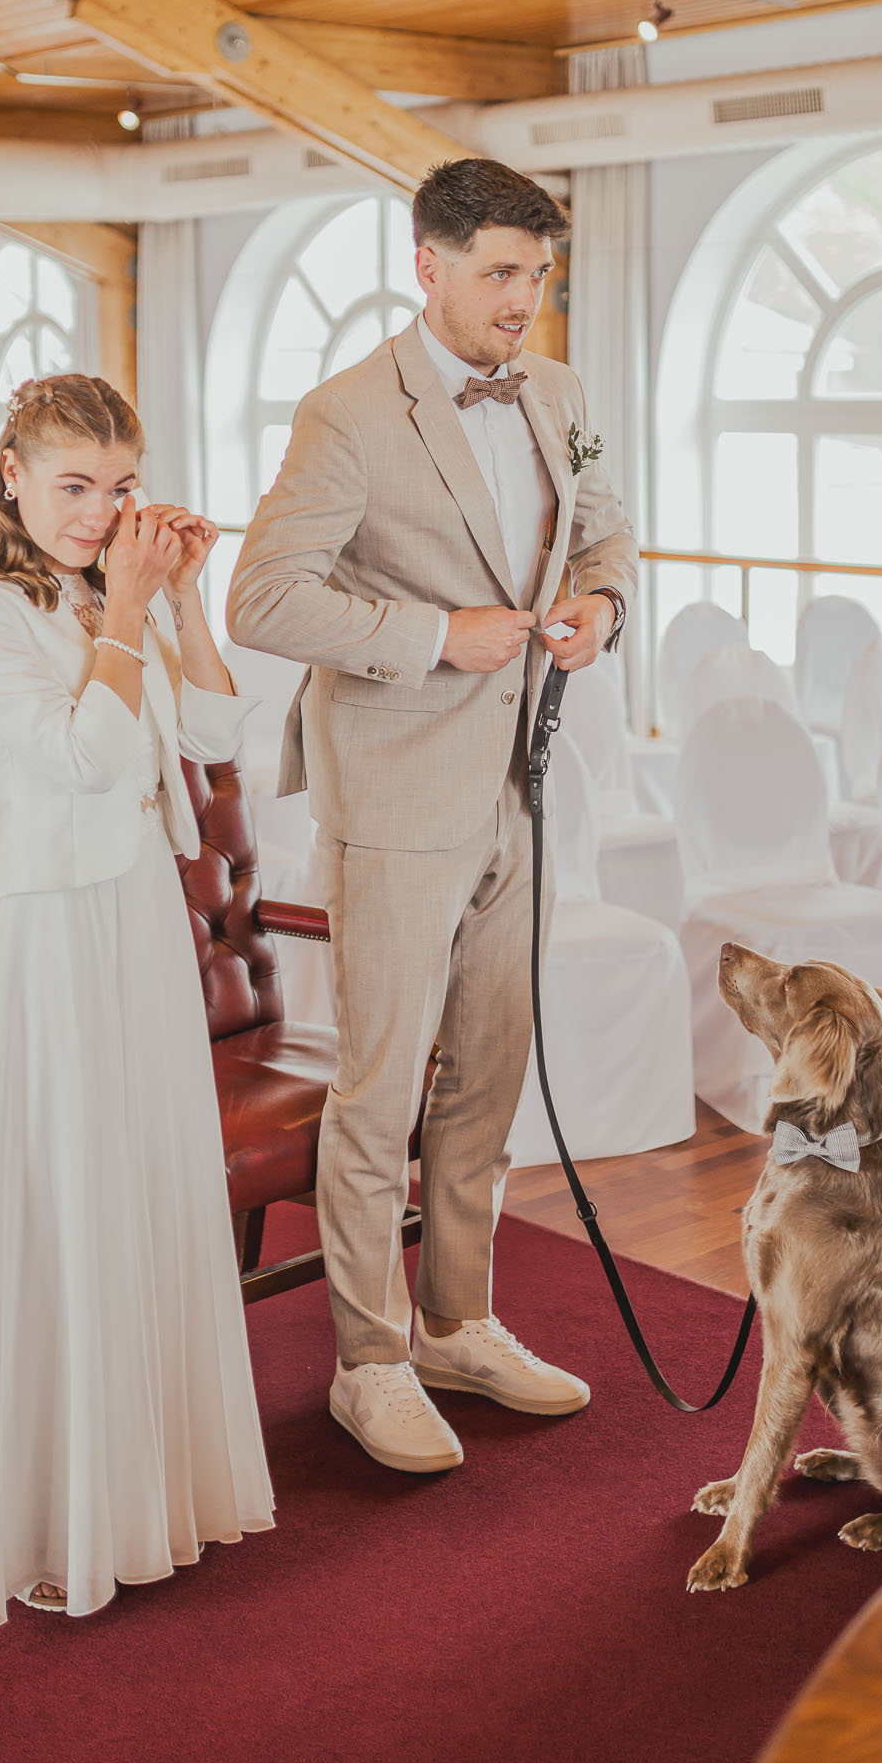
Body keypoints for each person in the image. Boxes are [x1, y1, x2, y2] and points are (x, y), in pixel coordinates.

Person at [227, 158, 638, 1475]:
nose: (525, 300)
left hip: (524, 786)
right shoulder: (347, 413)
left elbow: (606, 539)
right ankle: (370, 1360)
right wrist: (432, 636)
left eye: (539, 276)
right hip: (396, 798)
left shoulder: (561, 393)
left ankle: (460, 1321)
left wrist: (603, 611)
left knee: (489, 1076)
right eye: (502, 273)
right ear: (429, 265)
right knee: (382, 1088)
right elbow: (262, 601)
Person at [0, 373, 273, 1630]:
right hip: (51, 930)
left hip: (135, 918)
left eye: (119, 486)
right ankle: (54, 1513)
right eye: (74, 485)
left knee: (140, 1191)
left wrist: (173, 597)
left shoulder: (101, 588)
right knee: (66, 1203)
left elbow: (220, 726)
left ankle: (145, 1490)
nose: (100, 509)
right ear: (11, 468)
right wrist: (124, 604)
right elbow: (79, 761)